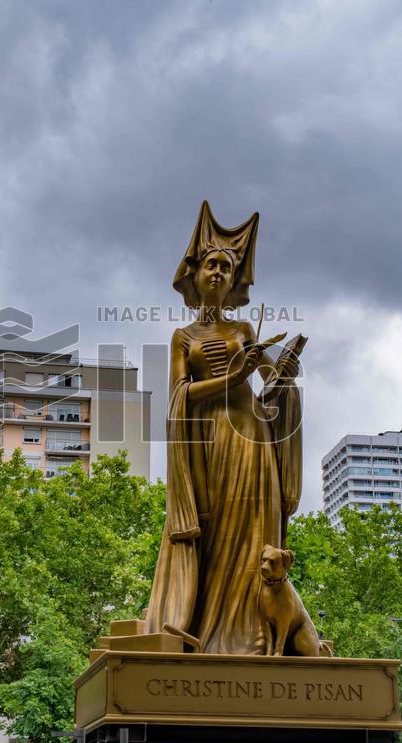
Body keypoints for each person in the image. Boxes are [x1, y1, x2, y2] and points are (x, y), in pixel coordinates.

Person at [143, 201, 311, 655]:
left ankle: (257, 635)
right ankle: (209, 633)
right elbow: (180, 395)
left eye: (227, 267)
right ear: (194, 276)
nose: (218, 272)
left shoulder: (243, 330)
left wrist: (285, 375)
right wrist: (231, 379)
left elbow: (272, 384)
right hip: (212, 444)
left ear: (235, 280)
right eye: (211, 265)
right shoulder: (184, 338)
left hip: (254, 440)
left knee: (257, 537)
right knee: (215, 536)